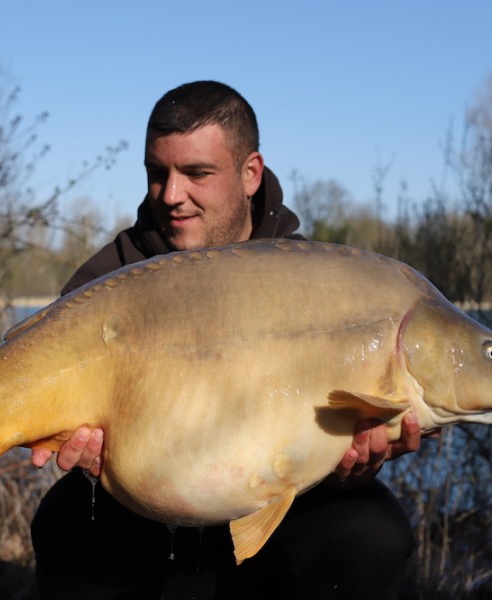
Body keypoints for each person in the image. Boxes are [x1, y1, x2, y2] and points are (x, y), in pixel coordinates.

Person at [29, 81, 422, 599]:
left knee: (373, 531)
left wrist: (346, 469)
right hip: (151, 511)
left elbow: (326, 436)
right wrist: (87, 459)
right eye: (157, 174)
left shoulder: (315, 279)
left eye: (197, 173)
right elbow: (64, 429)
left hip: (277, 508)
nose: (171, 196)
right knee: (64, 523)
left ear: (250, 173)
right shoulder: (107, 280)